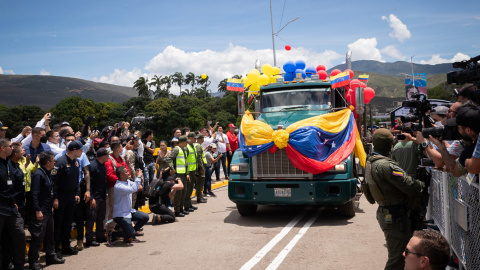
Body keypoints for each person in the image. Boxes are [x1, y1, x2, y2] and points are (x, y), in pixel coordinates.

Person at [365, 128, 425, 270]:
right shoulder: (386, 165)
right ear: (390, 145)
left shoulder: (372, 161)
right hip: (394, 214)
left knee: (400, 255)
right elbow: (411, 186)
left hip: (389, 212)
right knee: (398, 258)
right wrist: (422, 184)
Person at [28, 151, 65, 270]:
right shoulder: (38, 174)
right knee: (38, 236)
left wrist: (55, 198)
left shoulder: (48, 173)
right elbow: (34, 194)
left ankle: (51, 256)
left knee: (50, 235)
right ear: (48, 162)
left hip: (49, 209)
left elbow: (53, 187)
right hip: (41, 210)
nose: (54, 162)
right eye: (53, 160)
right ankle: (33, 262)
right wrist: (37, 210)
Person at [52, 140, 83, 255]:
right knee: (59, 223)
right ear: (74, 150)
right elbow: (53, 181)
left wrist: (77, 193)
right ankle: (55, 249)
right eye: (80, 149)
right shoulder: (60, 162)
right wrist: (55, 197)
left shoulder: (76, 162)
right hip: (61, 196)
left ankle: (66, 246)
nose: (82, 152)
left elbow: (76, 180)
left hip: (71, 196)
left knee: (68, 222)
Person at [0, 138, 26, 270]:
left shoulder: (9, 163)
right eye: (9, 146)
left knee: (19, 234)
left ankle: (19, 265)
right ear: (2, 148)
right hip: (1, 208)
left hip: (11, 207)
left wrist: (13, 201)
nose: (12, 147)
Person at [107, 166, 149, 245]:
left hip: (129, 211)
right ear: (121, 175)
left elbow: (139, 187)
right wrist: (138, 178)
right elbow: (132, 189)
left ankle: (129, 234)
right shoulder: (119, 186)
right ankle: (112, 234)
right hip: (121, 214)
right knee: (131, 233)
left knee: (145, 217)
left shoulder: (129, 182)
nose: (128, 173)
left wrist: (138, 178)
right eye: (126, 172)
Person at [85, 148, 109, 247]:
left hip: (102, 195)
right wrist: (92, 198)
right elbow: (88, 183)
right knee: (91, 218)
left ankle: (99, 236)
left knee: (101, 217)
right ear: (102, 156)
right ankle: (89, 239)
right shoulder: (93, 166)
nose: (108, 157)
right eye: (107, 155)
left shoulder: (103, 165)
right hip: (95, 196)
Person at [104, 142, 130, 232]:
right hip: (114, 188)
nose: (122, 149)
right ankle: (110, 229)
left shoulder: (121, 159)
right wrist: (121, 181)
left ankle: (122, 226)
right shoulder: (109, 160)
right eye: (121, 147)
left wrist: (128, 177)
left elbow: (126, 169)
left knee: (123, 208)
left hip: (123, 187)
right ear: (117, 149)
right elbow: (109, 175)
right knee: (113, 208)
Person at [164, 135, 189, 217]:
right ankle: (177, 211)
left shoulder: (183, 149)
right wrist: (172, 168)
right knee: (178, 193)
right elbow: (168, 158)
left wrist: (187, 173)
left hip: (184, 173)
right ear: (183, 142)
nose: (187, 143)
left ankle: (181, 209)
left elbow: (185, 162)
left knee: (183, 192)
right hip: (178, 174)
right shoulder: (176, 149)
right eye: (186, 142)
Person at [193, 133, 207, 203]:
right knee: (200, 183)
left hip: (198, 167)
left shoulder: (196, 145)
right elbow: (199, 158)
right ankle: (199, 198)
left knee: (199, 183)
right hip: (200, 168)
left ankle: (200, 196)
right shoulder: (198, 146)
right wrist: (201, 168)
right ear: (202, 139)